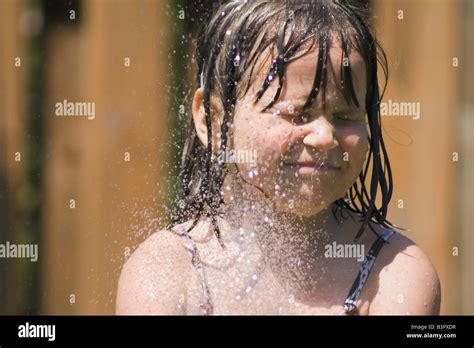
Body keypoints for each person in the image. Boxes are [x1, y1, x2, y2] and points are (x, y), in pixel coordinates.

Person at [116, 0, 441, 315]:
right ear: (211, 120)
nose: (325, 137)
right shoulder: (168, 273)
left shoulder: (394, 274)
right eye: (297, 114)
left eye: (344, 116)